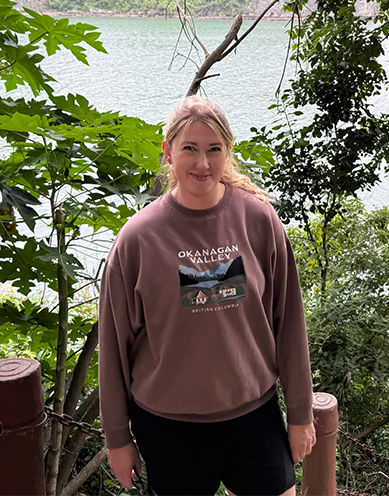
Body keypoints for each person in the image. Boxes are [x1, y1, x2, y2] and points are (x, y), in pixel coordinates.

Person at [98, 96, 316, 496]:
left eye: (214, 149)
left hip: (253, 415)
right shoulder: (138, 238)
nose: (202, 164)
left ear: (228, 151)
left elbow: (289, 322)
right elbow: (114, 347)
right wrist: (117, 437)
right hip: (168, 426)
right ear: (167, 152)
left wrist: (300, 413)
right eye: (190, 149)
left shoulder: (259, 220)